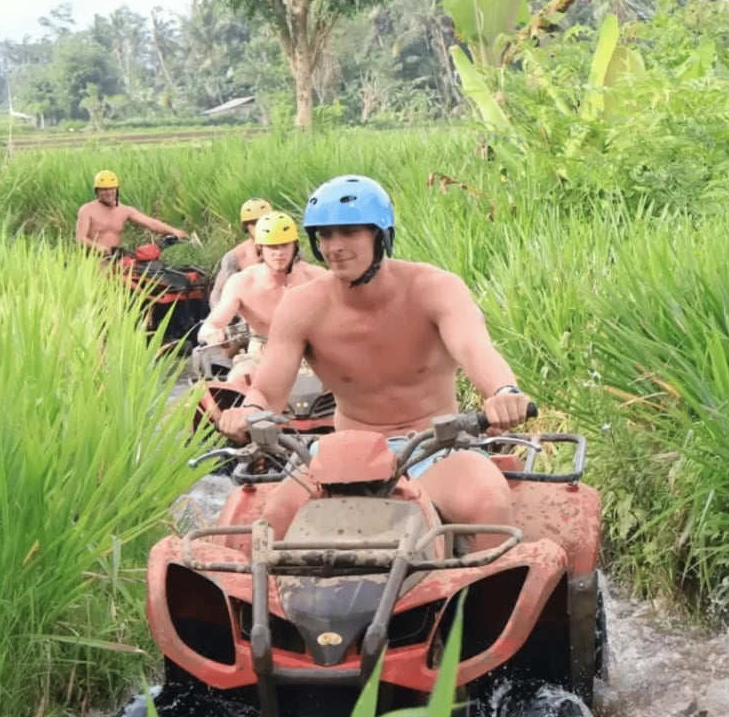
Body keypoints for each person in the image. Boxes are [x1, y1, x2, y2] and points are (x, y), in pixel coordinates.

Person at [215, 174, 535, 551]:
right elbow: (268, 392)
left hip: (435, 447)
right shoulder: (302, 305)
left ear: (380, 235)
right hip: (343, 455)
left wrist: (503, 392)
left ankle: (485, 590)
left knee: (487, 503)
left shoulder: (434, 288)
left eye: (350, 232)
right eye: (325, 235)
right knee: (272, 522)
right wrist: (249, 412)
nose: (335, 247)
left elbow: (476, 349)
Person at [198, 210, 322, 384]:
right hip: (261, 354)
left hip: (312, 354)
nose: (279, 253)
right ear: (260, 249)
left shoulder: (317, 278)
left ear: (295, 247)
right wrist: (212, 333)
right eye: (272, 247)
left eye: (284, 245)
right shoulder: (242, 283)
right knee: (240, 377)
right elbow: (209, 327)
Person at [74, 170, 194, 260]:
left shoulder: (125, 210)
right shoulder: (87, 210)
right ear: (97, 191)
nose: (109, 192)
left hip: (118, 261)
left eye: (112, 189)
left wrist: (173, 231)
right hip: (95, 262)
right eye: (104, 189)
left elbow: (151, 223)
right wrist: (100, 248)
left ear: (116, 189)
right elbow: (80, 239)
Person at [209, 197, 275, 309]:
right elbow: (217, 294)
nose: (260, 228)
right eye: (254, 224)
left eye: (264, 222)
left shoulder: (289, 250)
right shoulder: (235, 257)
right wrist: (224, 314)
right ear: (246, 226)